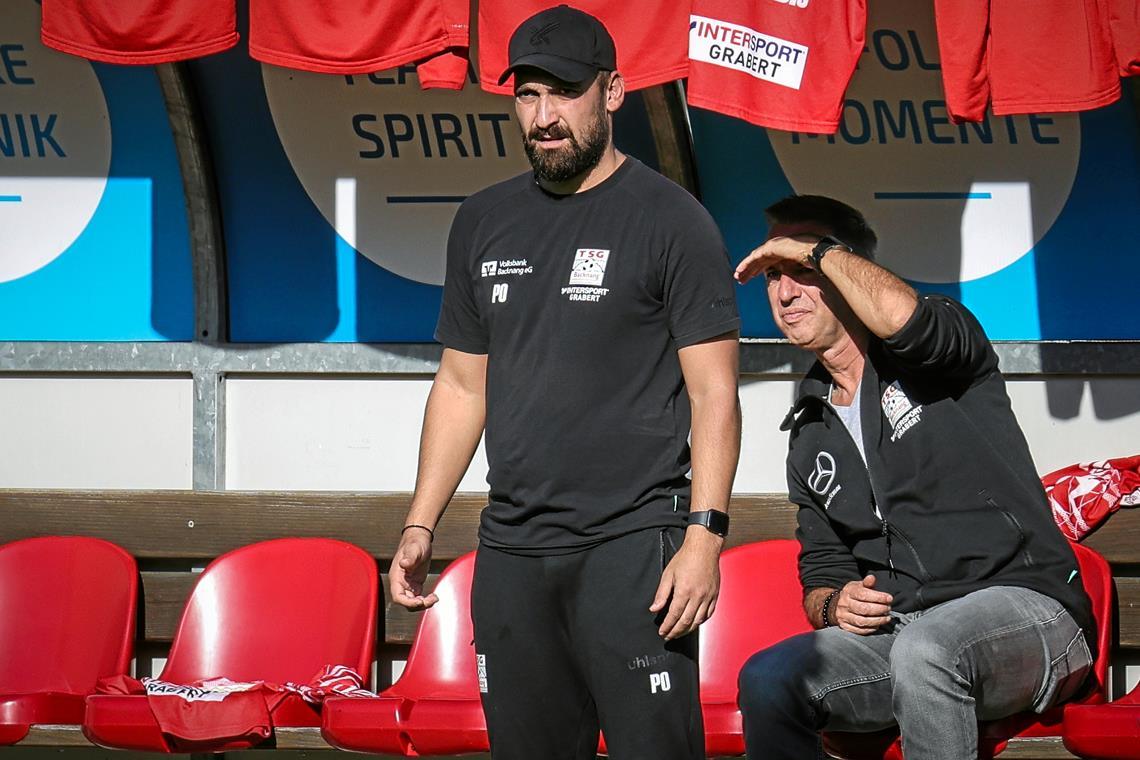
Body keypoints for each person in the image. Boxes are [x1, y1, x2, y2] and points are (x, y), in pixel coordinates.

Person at [387, 6, 742, 759]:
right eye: (528, 95)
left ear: (612, 92)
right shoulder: (483, 220)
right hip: (512, 554)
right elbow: (459, 385)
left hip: (633, 548)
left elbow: (715, 395)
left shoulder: (673, 222)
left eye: (564, 94)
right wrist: (420, 524)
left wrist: (705, 537)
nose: (544, 117)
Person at [733, 195, 1095, 759]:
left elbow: (907, 323)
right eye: (773, 276)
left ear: (847, 268)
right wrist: (835, 606)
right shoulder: (809, 428)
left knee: (927, 650)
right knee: (769, 677)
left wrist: (818, 251)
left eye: (803, 270)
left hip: (1031, 611)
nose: (783, 292)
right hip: (905, 634)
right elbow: (822, 572)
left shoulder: (937, 344)